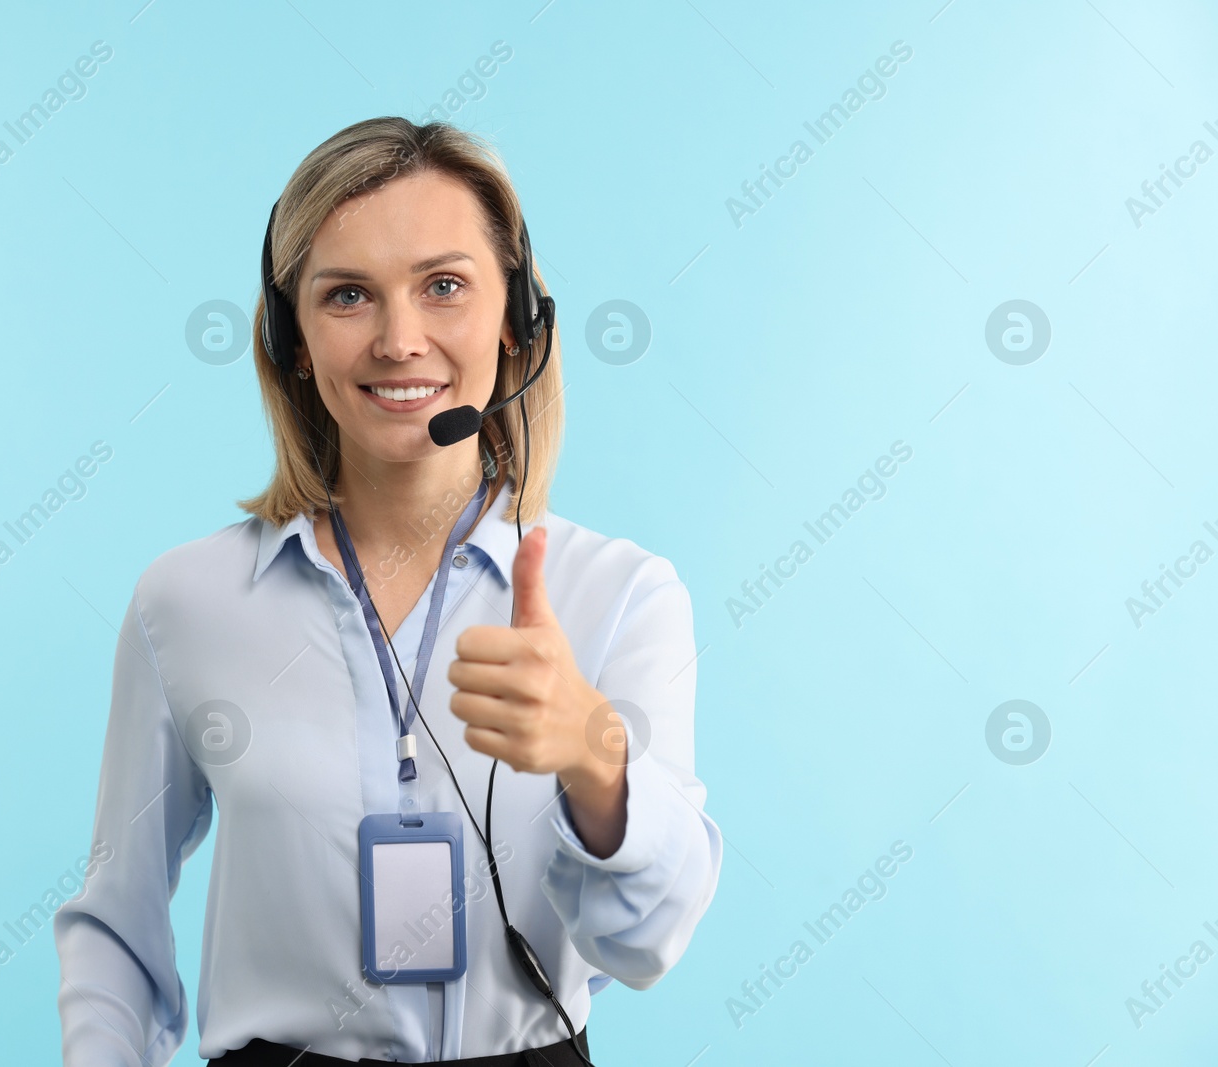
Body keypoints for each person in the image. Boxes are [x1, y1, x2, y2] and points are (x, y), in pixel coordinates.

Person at [53, 116, 722, 1066]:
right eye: (348, 296)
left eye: (444, 286)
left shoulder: (622, 595)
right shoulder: (187, 603)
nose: (399, 340)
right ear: (292, 337)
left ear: (516, 322)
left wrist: (593, 756)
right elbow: (116, 923)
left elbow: (646, 945)